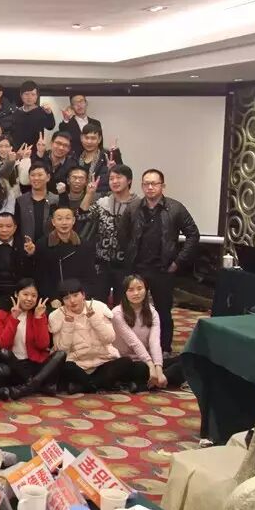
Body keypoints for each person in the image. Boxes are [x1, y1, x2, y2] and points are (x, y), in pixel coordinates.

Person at [119, 169, 200, 352]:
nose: (150, 187)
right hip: (137, 269)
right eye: (146, 183)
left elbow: (193, 235)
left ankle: (164, 349)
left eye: (154, 183)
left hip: (164, 269)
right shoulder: (133, 208)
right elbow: (122, 235)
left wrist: (178, 262)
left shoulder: (175, 208)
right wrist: (129, 257)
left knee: (163, 312)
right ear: (142, 186)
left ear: (162, 186)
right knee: (133, 310)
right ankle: (135, 348)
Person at [49, 278, 144, 393]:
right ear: (63, 301)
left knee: (128, 363)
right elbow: (62, 350)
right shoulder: (56, 316)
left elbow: (109, 338)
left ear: (83, 295)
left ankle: (86, 386)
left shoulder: (98, 307)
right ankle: (99, 384)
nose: (72, 301)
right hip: (77, 365)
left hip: (102, 361)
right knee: (67, 367)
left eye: (75, 295)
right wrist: (68, 325)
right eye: (67, 298)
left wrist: (94, 318)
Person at [0, 278, 65, 398]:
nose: (29, 299)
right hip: (15, 366)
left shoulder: (38, 314)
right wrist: (13, 318)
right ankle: (38, 384)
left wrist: (38, 318)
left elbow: (43, 345)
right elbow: (3, 343)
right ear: (16, 294)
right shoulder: (1, 314)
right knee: (4, 353)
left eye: (33, 295)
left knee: (61, 354)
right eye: (25, 294)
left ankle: (28, 387)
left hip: (34, 364)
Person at [112, 274, 184, 389]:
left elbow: (154, 342)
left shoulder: (152, 312)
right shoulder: (117, 313)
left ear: (146, 290)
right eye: (131, 290)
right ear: (125, 293)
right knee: (140, 368)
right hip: (127, 361)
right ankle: (157, 381)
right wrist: (151, 366)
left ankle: (153, 381)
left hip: (147, 359)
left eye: (139, 288)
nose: (136, 293)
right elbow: (134, 342)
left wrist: (158, 368)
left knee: (186, 360)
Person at [79, 164, 138, 304]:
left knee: (123, 305)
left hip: (126, 264)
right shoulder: (102, 203)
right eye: (111, 178)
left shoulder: (138, 205)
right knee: (98, 304)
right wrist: (89, 194)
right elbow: (81, 216)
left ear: (129, 180)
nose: (114, 181)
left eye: (119, 177)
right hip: (102, 263)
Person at [0, 212, 36, 314]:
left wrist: (30, 255)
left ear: (15, 228)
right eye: (0, 226)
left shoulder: (25, 245)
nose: (4, 230)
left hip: (19, 294)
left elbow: (30, 275)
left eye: (8, 226)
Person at [36, 205, 97, 299]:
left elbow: (89, 277)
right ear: (53, 222)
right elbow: (41, 277)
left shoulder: (84, 245)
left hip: (78, 297)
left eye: (68, 218)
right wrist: (52, 298)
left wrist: (82, 296)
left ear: (73, 221)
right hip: (54, 298)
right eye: (59, 219)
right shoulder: (42, 245)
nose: (64, 222)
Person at [15, 161, 58, 243]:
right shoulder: (20, 201)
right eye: (33, 175)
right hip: (25, 246)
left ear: (48, 177)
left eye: (40, 175)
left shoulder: (56, 200)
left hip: (50, 246)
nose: (36, 178)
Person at [75, 123, 122, 195]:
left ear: (99, 139)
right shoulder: (75, 156)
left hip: (103, 197)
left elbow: (122, 178)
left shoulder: (108, 156)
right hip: (80, 197)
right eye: (86, 138)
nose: (89, 142)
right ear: (81, 138)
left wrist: (115, 160)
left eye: (93, 138)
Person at [9, 80, 55, 148]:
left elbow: (50, 126)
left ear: (37, 96)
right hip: (18, 150)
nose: (29, 97)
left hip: (36, 150)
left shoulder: (41, 111)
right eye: (26, 94)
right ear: (21, 95)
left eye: (33, 94)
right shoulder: (16, 113)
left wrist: (49, 113)